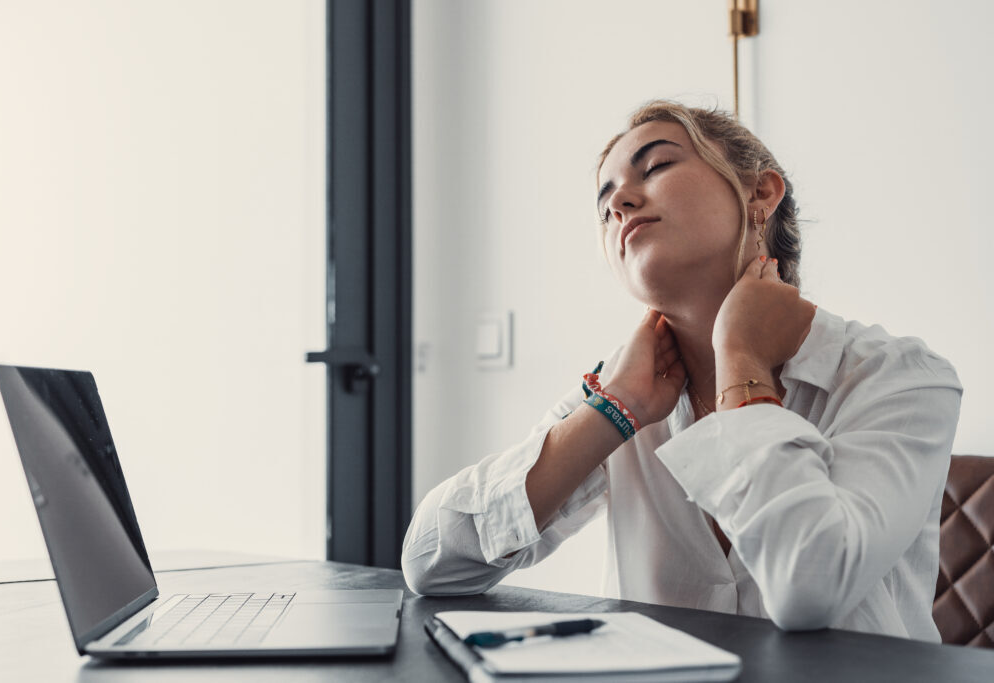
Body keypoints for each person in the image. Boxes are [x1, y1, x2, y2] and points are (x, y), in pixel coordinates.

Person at [401, 100, 962, 641]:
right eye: (604, 205)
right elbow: (430, 562)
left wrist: (741, 361)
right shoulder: (619, 390)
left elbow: (809, 586)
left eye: (657, 165)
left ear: (759, 192)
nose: (618, 202)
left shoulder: (900, 377)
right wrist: (611, 413)